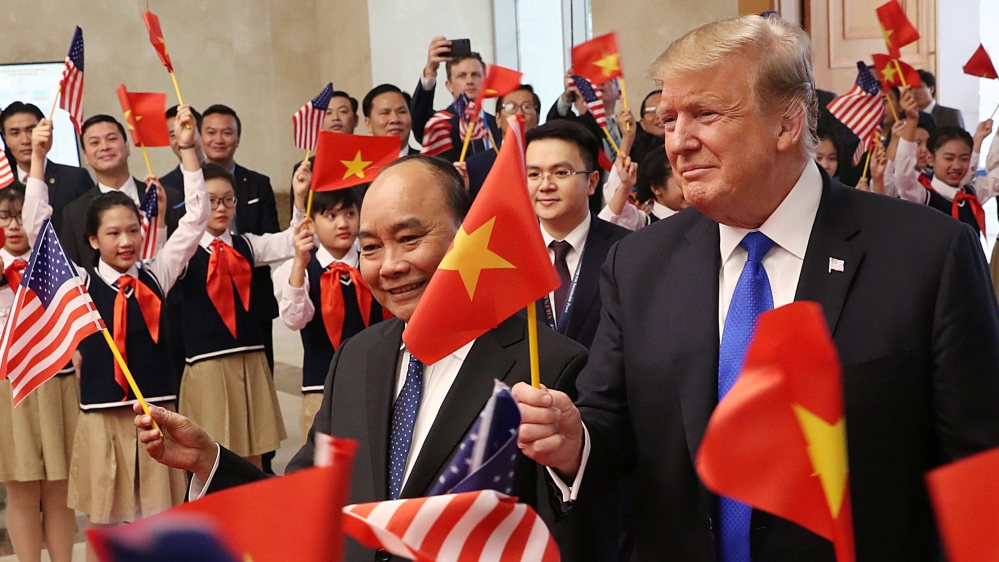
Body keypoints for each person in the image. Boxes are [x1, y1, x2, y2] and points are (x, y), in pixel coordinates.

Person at [513, 14, 999, 561]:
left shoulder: (927, 254)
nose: (678, 142)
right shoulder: (640, 263)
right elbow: (611, 422)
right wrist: (575, 442)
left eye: (705, 115)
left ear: (787, 124)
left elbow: (977, 465)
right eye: (669, 119)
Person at [134, 155, 605, 562]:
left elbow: (584, 526)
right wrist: (209, 460)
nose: (390, 265)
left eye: (410, 238)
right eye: (372, 248)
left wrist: (570, 459)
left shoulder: (548, 365)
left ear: (468, 237)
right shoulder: (359, 356)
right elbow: (310, 494)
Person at [23, 108, 209, 562]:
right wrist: (37, 164)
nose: (125, 241)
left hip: (155, 418)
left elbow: (195, 220)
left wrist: (187, 152)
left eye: (132, 231)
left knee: (160, 520)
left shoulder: (158, 273)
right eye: (113, 233)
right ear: (92, 241)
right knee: (105, 525)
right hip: (102, 418)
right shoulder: (79, 284)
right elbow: (35, 230)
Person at [175, 157, 309, 469]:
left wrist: (299, 198)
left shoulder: (246, 244)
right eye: (211, 201)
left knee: (254, 452)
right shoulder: (182, 252)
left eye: (228, 200)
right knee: (213, 454)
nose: (221, 208)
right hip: (207, 365)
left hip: (250, 359)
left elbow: (292, 242)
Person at [272, 168, 385, 443]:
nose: (342, 224)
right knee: (323, 472)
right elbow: (295, 319)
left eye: (349, 213)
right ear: (311, 223)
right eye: (330, 216)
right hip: (321, 388)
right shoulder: (297, 269)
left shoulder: (375, 261)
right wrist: (300, 263)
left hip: (378, 384)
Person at [0, 185, 78, 562]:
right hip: (9, 389)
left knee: (60, 487)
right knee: (22, 487)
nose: (15, 226)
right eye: (4, 217)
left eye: (20, 216)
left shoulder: (54, 265)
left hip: (57, 382)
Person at [527, 120, 631, 349]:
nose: (545, 185)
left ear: (592, 182)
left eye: (561, 172)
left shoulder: (628, 250)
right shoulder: (505, 256)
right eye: (534, 174)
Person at [199, 104, 281, 375]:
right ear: (200, 137)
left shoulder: (257, 183)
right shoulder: (179, 184)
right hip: (203, 296)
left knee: (260, 375)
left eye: (227, 132)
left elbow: (271, 234)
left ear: (238, 138)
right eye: (211, 132)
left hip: (253, 296)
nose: (219, 139)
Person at [60, 115, 183, 266]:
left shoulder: (165, 196)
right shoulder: (74, 213)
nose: (104, 147)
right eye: (95, 142)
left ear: (127, 147)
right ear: (85, 156)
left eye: (112, 139)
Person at [894, 87, 998, 237]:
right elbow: (903, 174)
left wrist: (981, 138)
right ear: (931, 159)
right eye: (949, 158)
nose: (956, 166)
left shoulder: (972, 194)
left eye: (964, 159)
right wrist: (911, 121)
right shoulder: (923, 197)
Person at [0, 101, 93, 234]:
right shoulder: (3, 186)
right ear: (5, 139)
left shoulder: (75, 179)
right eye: (15, 133)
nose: (25, 140)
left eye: (31, 131)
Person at [412, 42, 501, 162]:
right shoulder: (440, 125)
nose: (469, 81)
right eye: (462, 76)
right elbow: (418, 119)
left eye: (475, 75)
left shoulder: (498, 124)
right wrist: (430, 71)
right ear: (449, 86)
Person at [458, 84, 543, 198]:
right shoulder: (473, 167)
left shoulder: (549, 160)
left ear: (537, 118)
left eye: (526, 107)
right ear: (497, 119)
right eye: (510, 107)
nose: (519, 114)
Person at [547, 73, 623, 164]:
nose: (601, 83)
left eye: (609, 79)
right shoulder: (580, 125)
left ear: (619, 93)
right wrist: (567, 95)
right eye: (595, 80)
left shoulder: (631, 127)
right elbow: (554, 126)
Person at [362, 84, 418, 157]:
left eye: (402, 112)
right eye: (385, 113)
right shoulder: (357, 166)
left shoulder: (428, 164)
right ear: (368, 124)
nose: (395, 119)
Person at [160, 105, 205, 193]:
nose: (181, 138)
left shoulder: (224, 175)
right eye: (173, 135)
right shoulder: (163, 187)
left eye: (186, 129)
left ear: (202, 132)